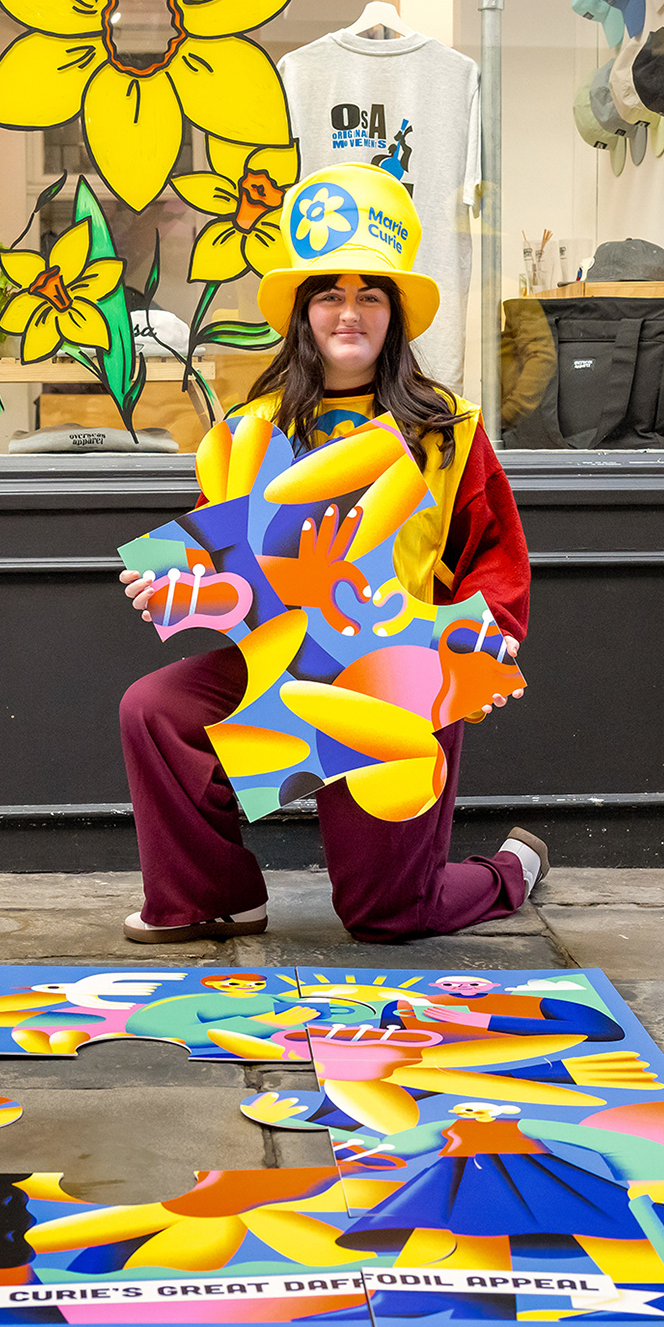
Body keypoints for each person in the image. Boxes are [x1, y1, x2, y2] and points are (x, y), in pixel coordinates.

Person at [116, 164, 546, 946]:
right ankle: (212, 896)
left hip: (398, 679)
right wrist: (174, 584)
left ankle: (510, 868)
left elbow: (495, 555)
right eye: (329, 294)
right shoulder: (249, 430)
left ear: (394, 315)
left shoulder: (448, 430)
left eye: (370, 295)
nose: (349, 312)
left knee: (387, 915)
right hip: (283, 666)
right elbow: (224, 559)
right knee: (155, 709)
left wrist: (489, 641)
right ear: (303, 313)